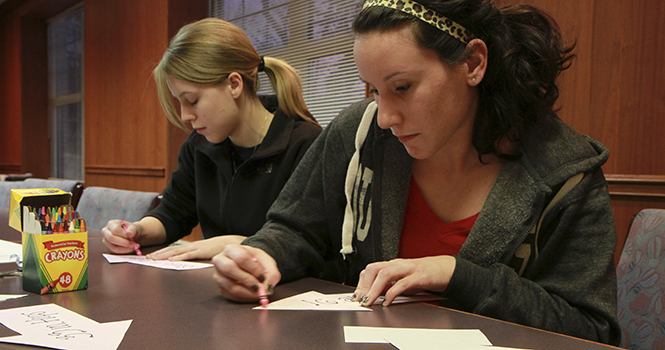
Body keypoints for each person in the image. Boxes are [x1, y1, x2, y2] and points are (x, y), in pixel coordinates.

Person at [211, 0, 620, 345]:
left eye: (403, 87)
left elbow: (591, 330)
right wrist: (261, 255)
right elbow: (295, 228)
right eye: (373, 90)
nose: (385, 116)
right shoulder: (359, 132)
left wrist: (458, 275)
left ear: (473, 63)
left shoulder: (565, 171)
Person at [102, 18, 322, 261]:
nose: (186, 116)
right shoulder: (199, 147)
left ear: (234, 85)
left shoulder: (305, 144)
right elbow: (174, 212)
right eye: (180, 102)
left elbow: (310, 243)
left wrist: (242, 244)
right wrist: (138, 230)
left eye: (193, 100)